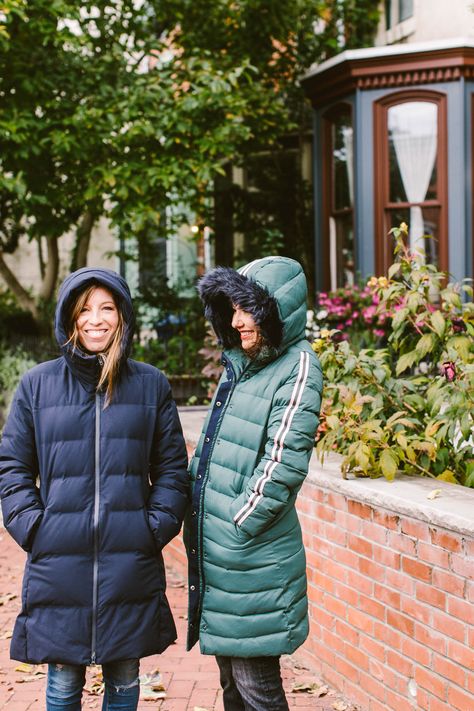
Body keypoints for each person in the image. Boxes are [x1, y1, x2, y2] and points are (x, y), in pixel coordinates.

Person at [0, 267, 189, 711]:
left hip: (129, 561)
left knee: (124, 679)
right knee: (63, 683)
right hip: (58, 563)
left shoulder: (150, 384)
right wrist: (33, 527)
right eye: (84, 309)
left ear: (122, 316)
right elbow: (12, 466)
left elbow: (172, 469)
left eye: (106, 308)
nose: (95, 319)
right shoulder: (37, 385)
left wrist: (153, 527)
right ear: (69, 317)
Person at [185, 256, 323, 710]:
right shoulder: (244, 366)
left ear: (275, 312)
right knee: (232, 685)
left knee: (257, 688)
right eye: (232, 308)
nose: (237, 319)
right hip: (224, 559)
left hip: (250, 557)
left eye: (248, 309)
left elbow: (281, 464)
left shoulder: (298, 366)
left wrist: (235, 522)